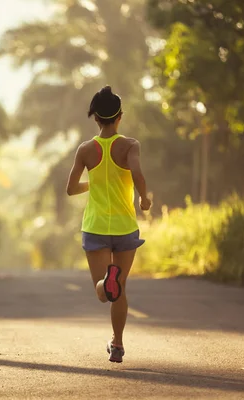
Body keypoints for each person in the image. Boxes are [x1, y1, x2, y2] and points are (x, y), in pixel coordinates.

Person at [66, 85, 151, 363]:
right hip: (125, 226)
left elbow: (70, 188)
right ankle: (117, 344)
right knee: (121, 289)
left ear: (96, 118)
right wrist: (144, 198)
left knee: (104, 293)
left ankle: (106, 280)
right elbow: (137, 172)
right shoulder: (130, 145)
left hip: (96, 227)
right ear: (119, 117)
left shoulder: (85, 150)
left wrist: (94, 182)